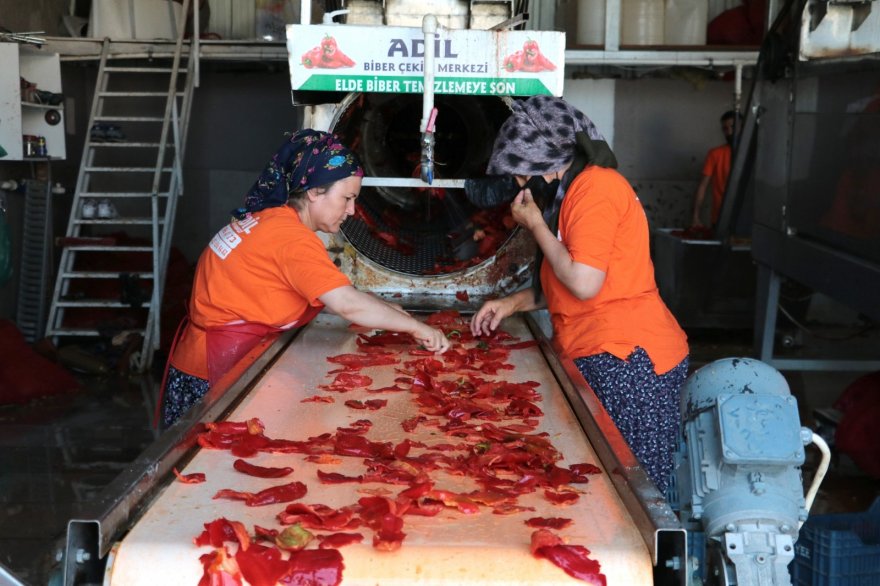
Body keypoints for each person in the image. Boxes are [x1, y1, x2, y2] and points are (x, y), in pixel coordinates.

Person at [468, 95, 689, 493]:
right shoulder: (575, 191)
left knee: (633, 490)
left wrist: (535, 225)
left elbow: (584, 283)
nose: (519, 182)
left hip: (628, 358)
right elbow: (568, 276)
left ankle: (649, 559)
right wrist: (512, 302)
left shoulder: (595, 189)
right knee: (604, 483)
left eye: (520, 171)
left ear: (544, 163)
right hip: (601, 348)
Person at [160, 129, 450, 427]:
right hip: (212, 373)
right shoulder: (291, 239)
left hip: (199, 361)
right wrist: (416, 328)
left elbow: (326, 289)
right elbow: (346, 303)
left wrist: (388, 313)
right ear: (314, 191)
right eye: (347, 198)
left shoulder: (271, 220)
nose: (351, 210)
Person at [691, 110, 737, 228]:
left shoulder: (753, 155)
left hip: (746, 218)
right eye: (725, 128)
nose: (729, 132)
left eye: (733, 126)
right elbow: (703, 186)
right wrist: (695, 216)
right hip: (720, 218)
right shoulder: (716, 154)